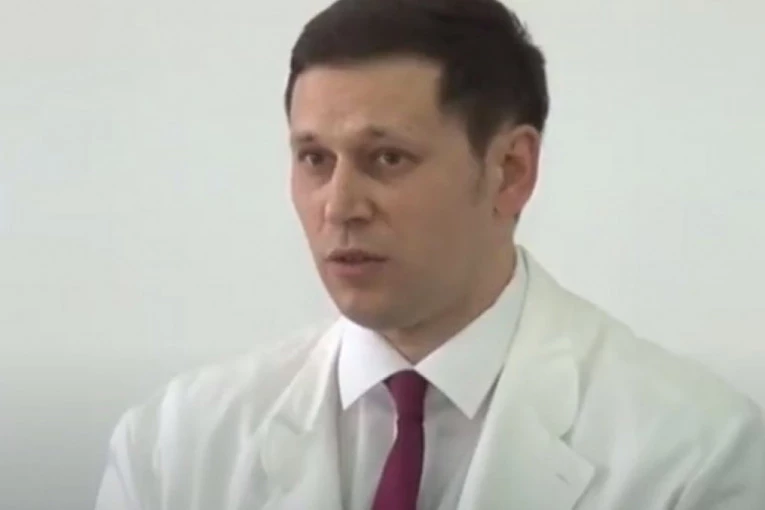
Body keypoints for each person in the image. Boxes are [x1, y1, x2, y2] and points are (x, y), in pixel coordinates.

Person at [95, 0, 765, 508]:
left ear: (510, 171)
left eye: (387, 158)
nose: (339, 205)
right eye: (314, 159)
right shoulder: (174, 446)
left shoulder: (696, 457)